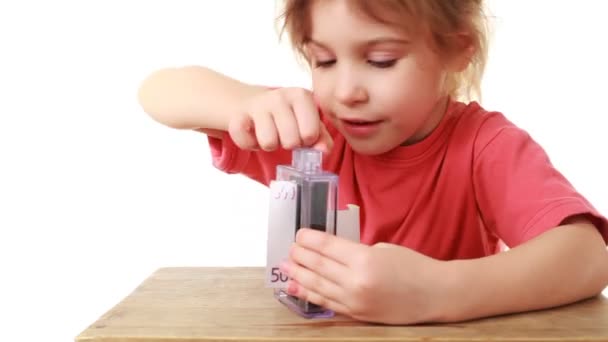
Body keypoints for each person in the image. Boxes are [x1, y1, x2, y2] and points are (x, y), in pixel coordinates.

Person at [136, 0, 608, 325]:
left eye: (381, 60)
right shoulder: (315, 132)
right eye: (323, 61)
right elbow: (159, 92)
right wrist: (241, 102)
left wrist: (438, 291)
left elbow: (588, 256)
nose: (346, 92)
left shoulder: (484, 146)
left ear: (456, 49)